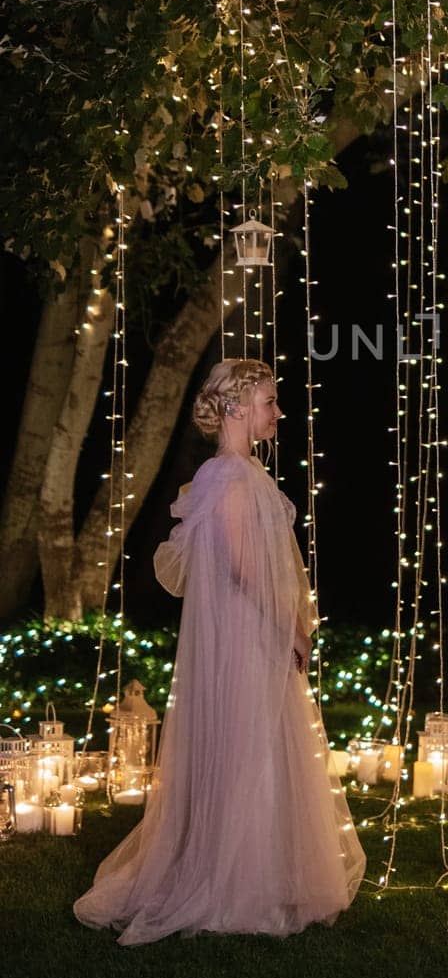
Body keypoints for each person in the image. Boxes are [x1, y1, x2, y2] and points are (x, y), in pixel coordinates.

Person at [74, 358, 364, 944]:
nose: (277, 411)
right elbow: (242, 564)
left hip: (251, 632)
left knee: (262, 743)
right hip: (246, 634)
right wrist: (290, 626)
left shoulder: (243, 474)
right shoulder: (229, 476)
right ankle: (233, 885)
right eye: (268, 400)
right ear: (235, 407)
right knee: (246, 744)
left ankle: (266, 873)